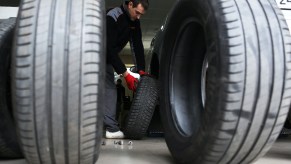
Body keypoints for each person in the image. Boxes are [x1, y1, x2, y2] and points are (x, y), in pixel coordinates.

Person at [104, 0, 149, 139]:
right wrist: (125, 74)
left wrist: (141, 70)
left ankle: (105, 126)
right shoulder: (112, 16)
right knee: (109, 89)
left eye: (141, 14)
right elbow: (109, 49)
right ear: (130, 4)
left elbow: (137, 45)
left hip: (107, 57)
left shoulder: (134, 21)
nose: (139, 17)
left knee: (106, 89)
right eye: (137, 12)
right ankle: (111, 129)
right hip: (94, 54)